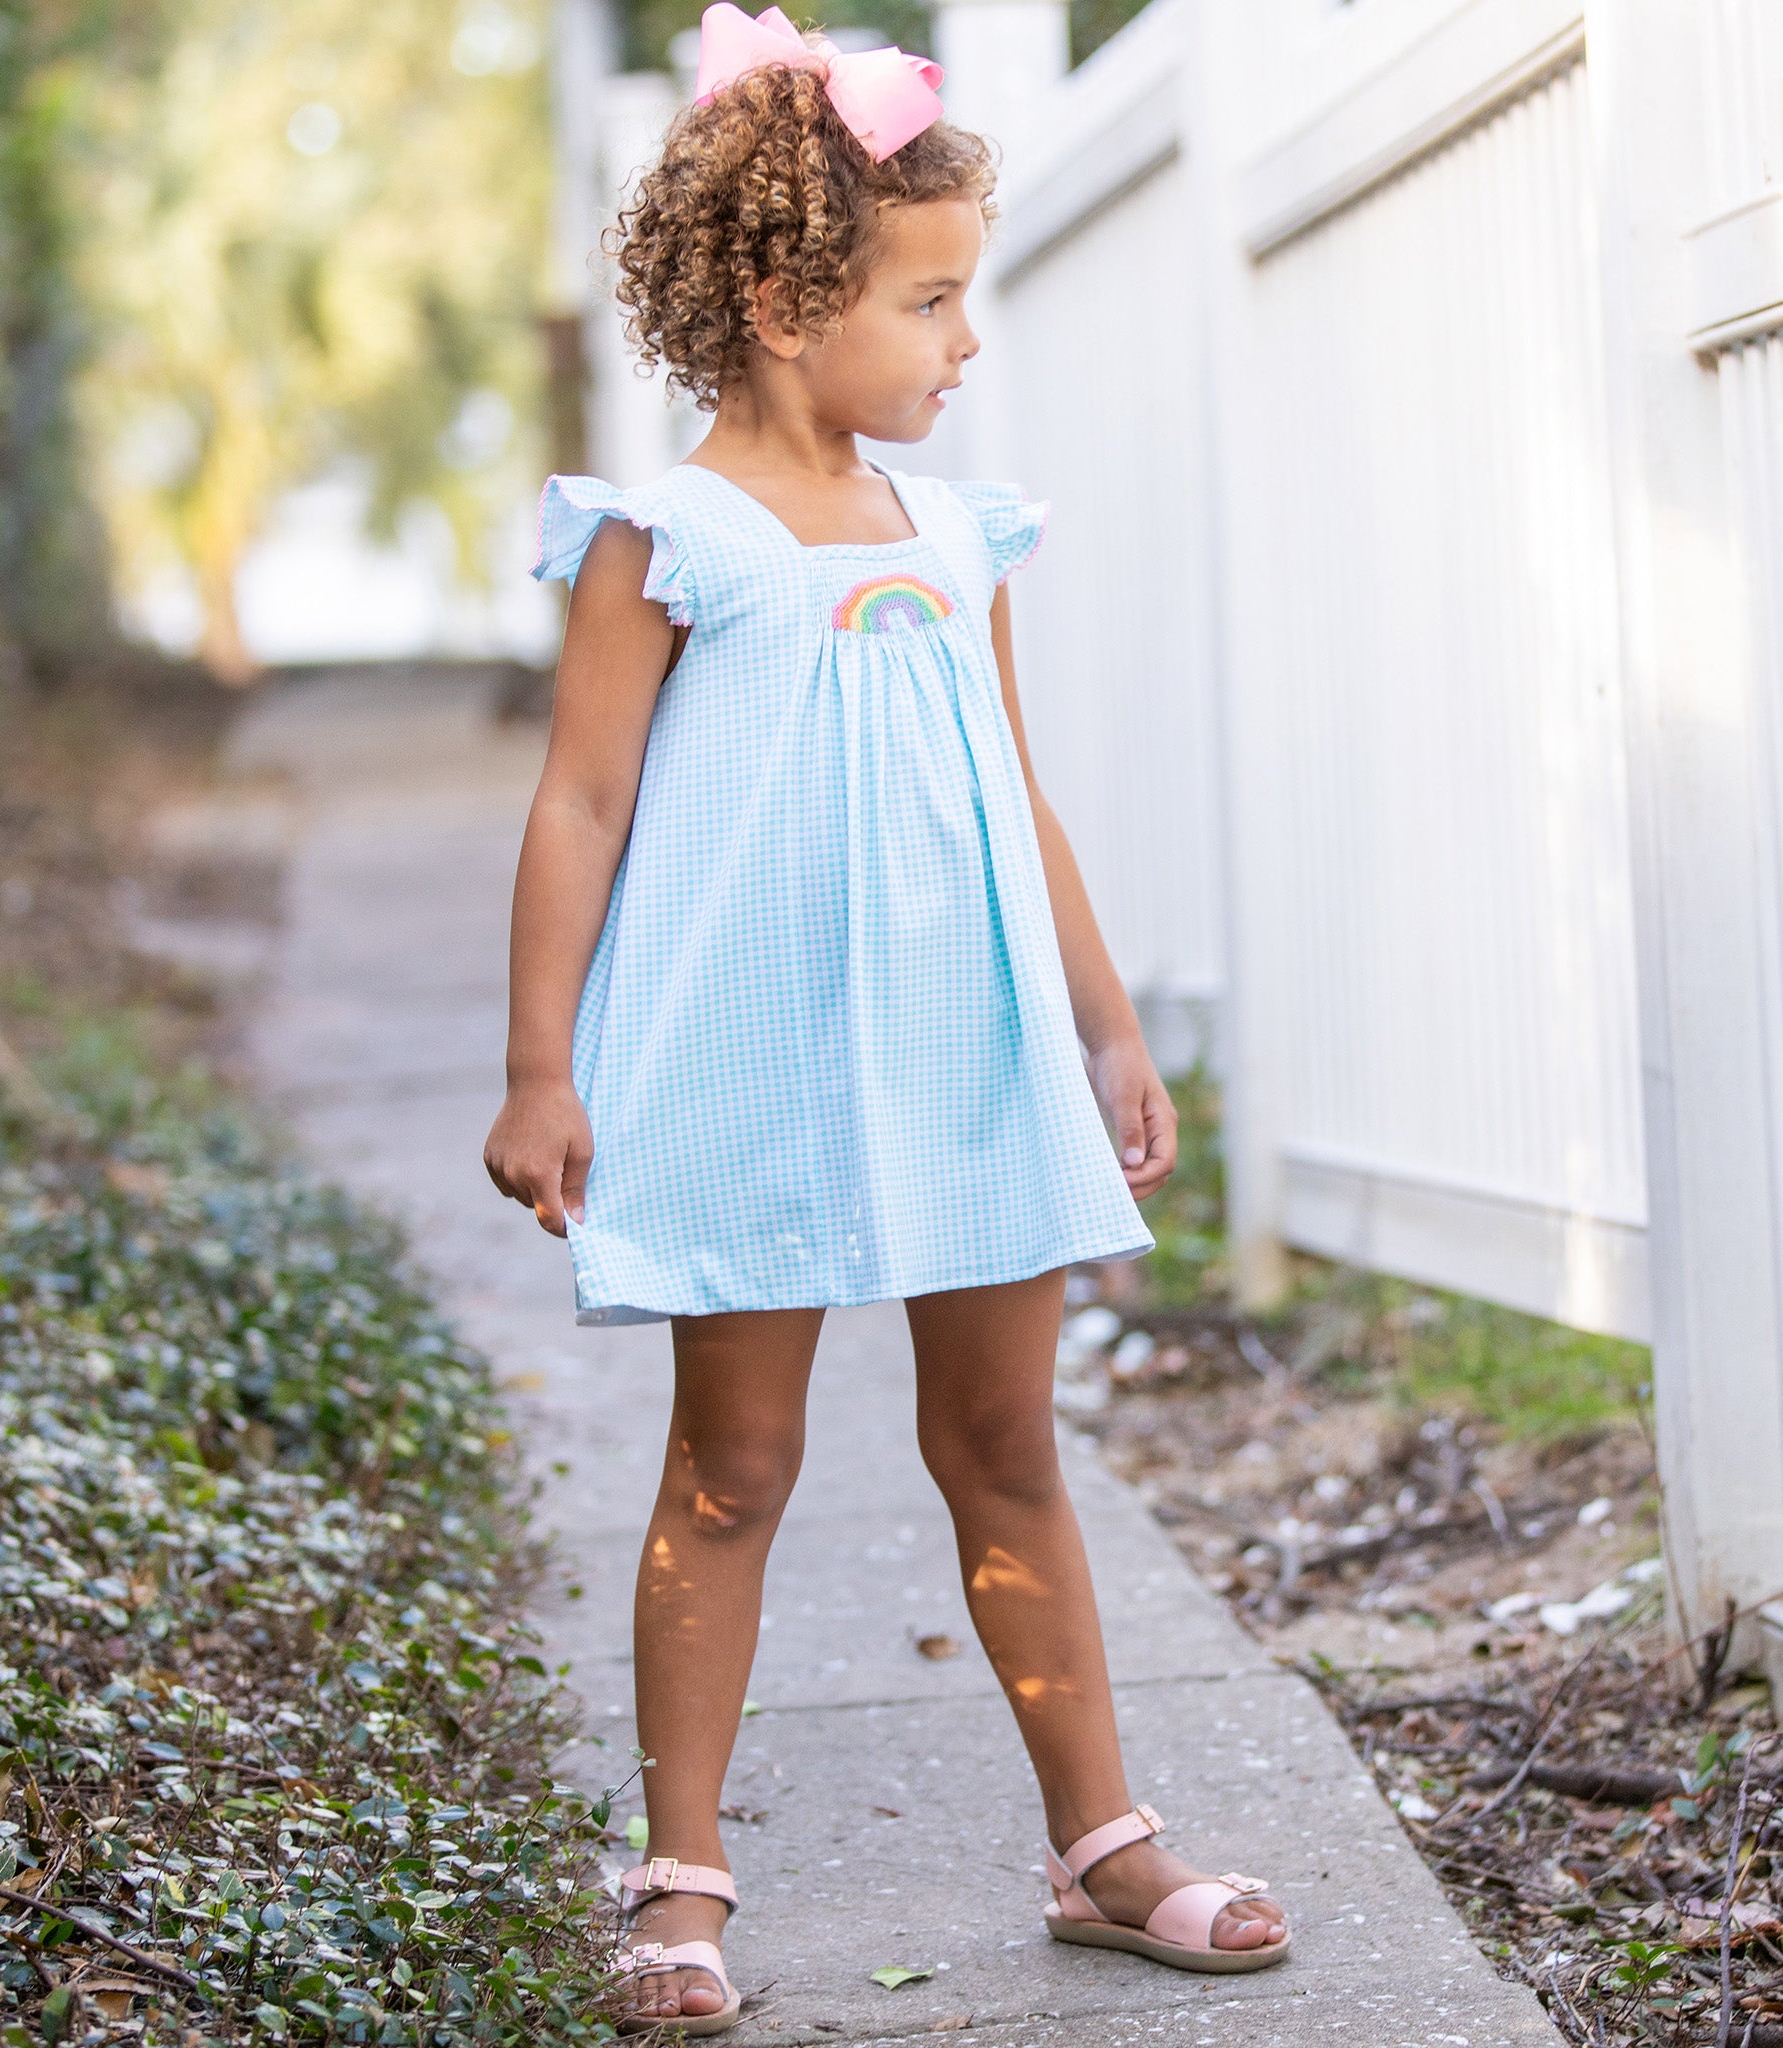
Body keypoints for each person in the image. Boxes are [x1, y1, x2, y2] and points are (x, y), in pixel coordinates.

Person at [482, 5, 1291, 2032]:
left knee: (1007, 1438)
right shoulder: (670, 543)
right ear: (780, 304)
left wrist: (1105, 1025)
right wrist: (537, 1063)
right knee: (733, 1464)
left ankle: (1102, 1840)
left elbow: (1013, 796)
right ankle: (680, 1879)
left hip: (965, 1053)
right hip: (752, 1072)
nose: (963, 342)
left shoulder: (956, 534)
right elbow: (578, 801)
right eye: (928, 302)